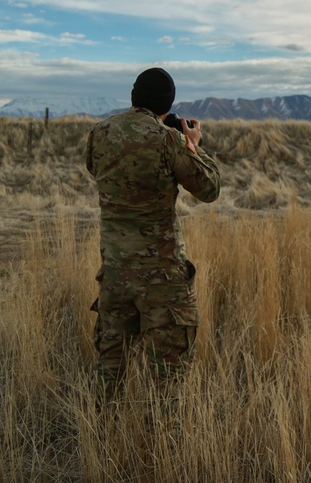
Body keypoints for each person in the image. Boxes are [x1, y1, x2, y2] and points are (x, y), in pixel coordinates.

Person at [86, 67, 220, 389]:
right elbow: (209, 189)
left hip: (115, 274)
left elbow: (94, 168)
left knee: (110, 371)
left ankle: (103, 435)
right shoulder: (168, 140)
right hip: (163, 279)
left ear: (135, 96)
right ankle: (160, 439)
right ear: (167, 106)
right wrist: (192, 145)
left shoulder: (100, 133)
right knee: (167, 380)